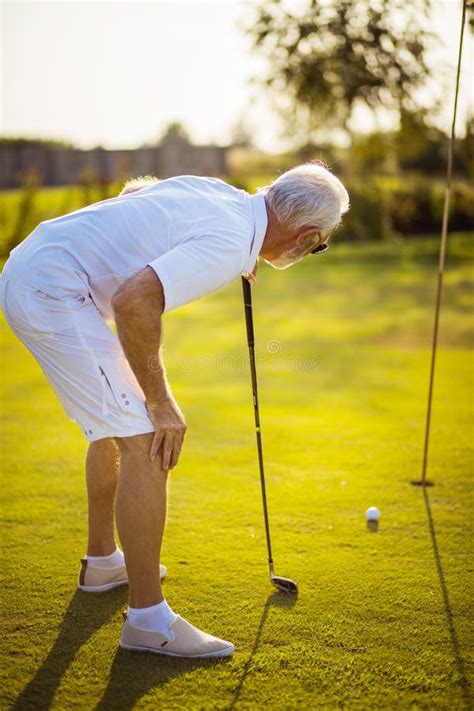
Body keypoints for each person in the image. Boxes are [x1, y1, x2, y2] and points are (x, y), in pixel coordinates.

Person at [0, 162, 349, 658]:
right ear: (305, 236)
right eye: (319, 245)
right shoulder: (231, 239)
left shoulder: (223, 196)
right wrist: (162, 403)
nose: (312, 251)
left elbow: (138, 193)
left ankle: (103, 563)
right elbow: (133, 300)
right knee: (147, 435)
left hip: (39, 269)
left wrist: (211, 249)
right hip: (50, 290)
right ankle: (148, 621)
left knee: (114, 426)